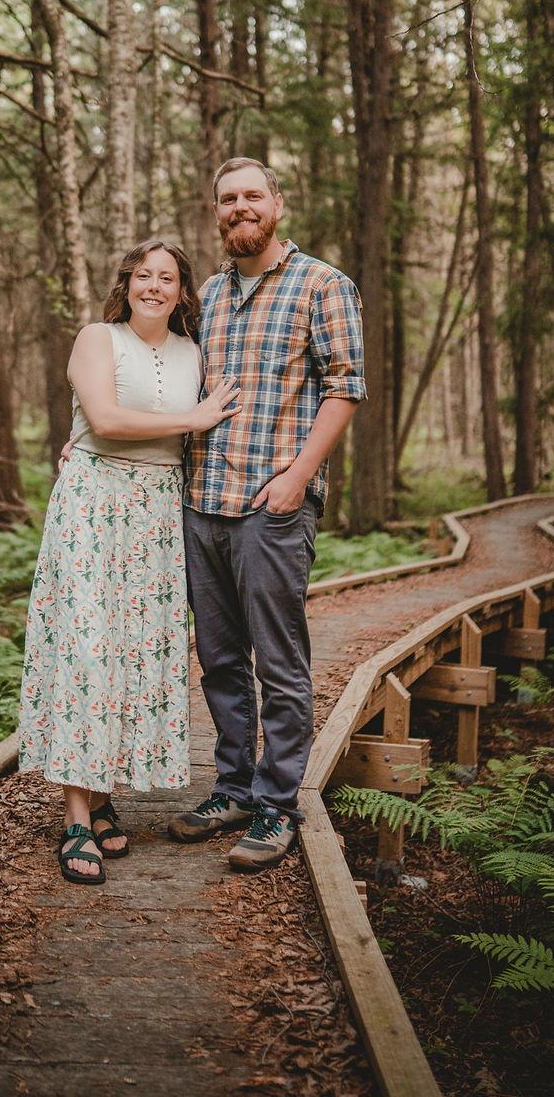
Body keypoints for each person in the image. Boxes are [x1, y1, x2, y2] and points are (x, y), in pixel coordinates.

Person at [18, 240, 241, 884]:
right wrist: (194, 418)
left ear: (181, 291)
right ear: (128, 282)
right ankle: (76, 820)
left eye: (167, 278)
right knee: (89, 649)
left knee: (136, 649)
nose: (155, 286)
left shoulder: (192, 352)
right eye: (144, 275)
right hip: (95, 501)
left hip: (157, 510)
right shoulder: (97, 338)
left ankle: (105, 793)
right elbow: (106, 419)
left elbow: (195, 429)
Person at [167, 158, 365, 871]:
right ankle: (233, 787)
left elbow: (345, 387)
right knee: (219, 661)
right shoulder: (210, 295)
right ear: (215, 210)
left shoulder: (322, 284)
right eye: (227, 199)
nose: (239, 208)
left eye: (252, 195)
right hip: (202, 504)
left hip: (270, 507)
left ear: (277, 204)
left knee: (279, 663)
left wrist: (297, 478)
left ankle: (277, 803)